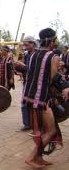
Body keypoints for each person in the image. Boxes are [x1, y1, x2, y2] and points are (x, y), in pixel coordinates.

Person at [23, 28, 64, 168]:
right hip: (41, 100)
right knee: (51, 131)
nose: (55, 42)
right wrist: (65, 88)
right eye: (55, 40)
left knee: (45, 131)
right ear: (51, 40)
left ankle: (39, 158)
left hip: (29, 97)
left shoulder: (33, 54)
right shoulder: (53, 56)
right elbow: (54, 79)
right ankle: (31, 157)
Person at [13, 36, 37, 131]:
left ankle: (38, 125)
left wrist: (23, 65)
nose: (25, 47)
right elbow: (24, 69)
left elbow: (36, 70)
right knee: (24, 103)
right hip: (27, 82)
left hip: (35, 84)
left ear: (32, 44)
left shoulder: (38, 55)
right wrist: (17, 66)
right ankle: (27, 124)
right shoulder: (27, 54)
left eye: (27, 45)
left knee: (36, 105)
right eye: (25, 45)